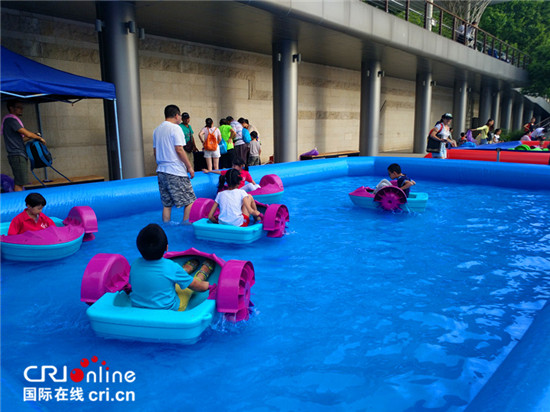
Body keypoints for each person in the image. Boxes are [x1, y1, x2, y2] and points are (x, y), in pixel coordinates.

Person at [129, 223, 214, 311]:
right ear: (166, 248)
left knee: (166, 279)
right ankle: (200, 275)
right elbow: (196, 286)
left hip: (139, 309)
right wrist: (208, 286)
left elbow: (132, 283)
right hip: (169, 310)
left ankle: (183, 272)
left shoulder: (135, 264)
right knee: (187, 289)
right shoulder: (171, 266)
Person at [153, 104, 196, 223]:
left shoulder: (157, 130)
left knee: (167, 204)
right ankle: (185, 226)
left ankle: (166, 225)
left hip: (161, 170)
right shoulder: (176, 128)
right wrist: (189, 167)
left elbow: (155, 152)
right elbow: (179, 149)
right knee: (190, 201)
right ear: (177, 115)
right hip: (175, 171)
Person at [1, 100, 47, 191]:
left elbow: (22, 139)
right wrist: (39, 138)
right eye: (19, 107)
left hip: (18, 154)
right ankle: (19, 203)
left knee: (21, 181)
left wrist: (34, 135)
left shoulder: (10, 121)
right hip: (17, 154)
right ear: (11, 108)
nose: (21, 109)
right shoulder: (11, 120)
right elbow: (27, 134)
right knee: (19, 182)